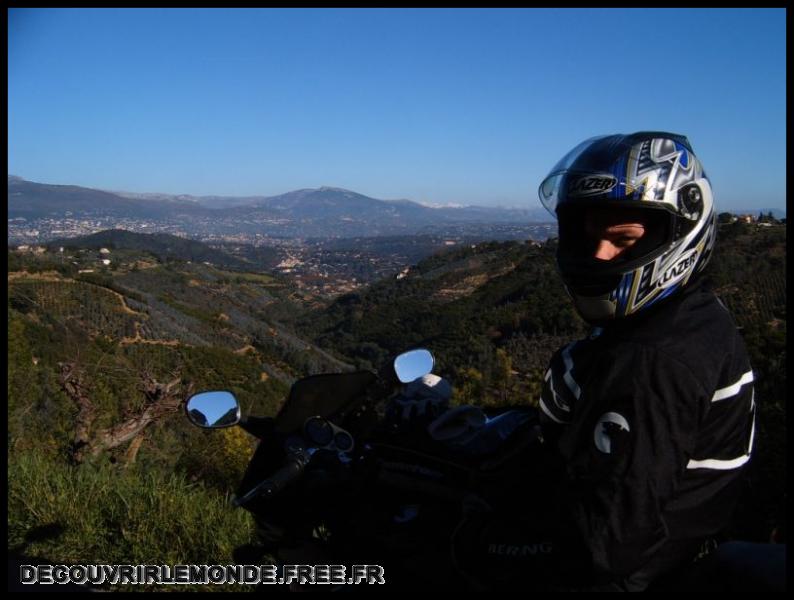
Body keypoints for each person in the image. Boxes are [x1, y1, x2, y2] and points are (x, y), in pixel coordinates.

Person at [534, 131, 756, 590]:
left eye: (624, 239)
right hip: (686, 547)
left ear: (678, 232)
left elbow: (608, 544)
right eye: (587, 236)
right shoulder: (690, 316)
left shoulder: (651, 360)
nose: (600, 254)